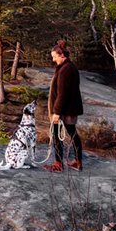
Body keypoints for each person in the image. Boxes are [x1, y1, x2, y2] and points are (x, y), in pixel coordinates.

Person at [44, 40, 83, 172]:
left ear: (61, 55)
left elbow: (62, 94)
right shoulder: (68, 67)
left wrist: (56, 112)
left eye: (54, 57)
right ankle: (77, 162)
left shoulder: (65, 70)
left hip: (65, 110)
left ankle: (58, 164)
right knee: (72, 134)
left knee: (57, 135)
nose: (53, 60)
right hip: (69, 109)